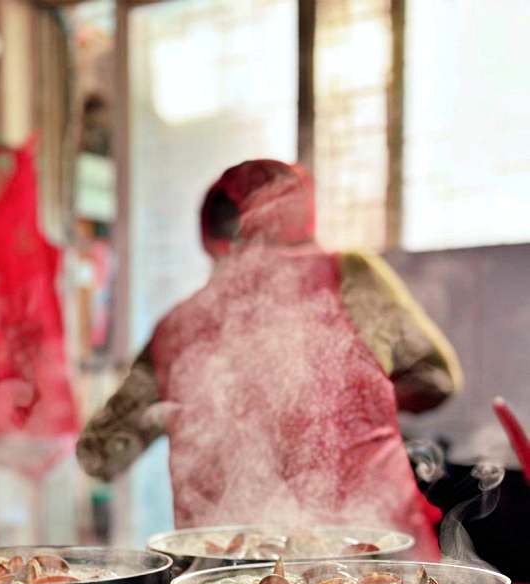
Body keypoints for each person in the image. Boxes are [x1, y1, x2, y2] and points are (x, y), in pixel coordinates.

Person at [76, 160, 462, 556]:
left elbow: (98, 454)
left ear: (210, 234)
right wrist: (347, 413)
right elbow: (438, 380)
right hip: (380, 556)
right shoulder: (350, 275)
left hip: (229, 576)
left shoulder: (176, 328)